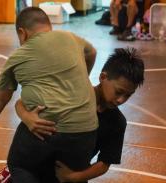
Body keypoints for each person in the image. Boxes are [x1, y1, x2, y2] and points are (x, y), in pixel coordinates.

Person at [0, 7, 98, 183]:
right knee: (67, 176)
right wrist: (82, 78)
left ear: (22, 33)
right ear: (48, 26)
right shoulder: (70, 37)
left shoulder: (19, 56)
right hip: (86, 133)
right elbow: (92, 52)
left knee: (18, 165)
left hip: (46, 131)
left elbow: (0, 97)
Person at [13, 47, 145, 182]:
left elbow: (105, 163)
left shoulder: (117, 122)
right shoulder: (68, 93)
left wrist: (75, 177)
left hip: (68, 176)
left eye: (128, 95)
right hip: (33, 169)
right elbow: (21, 103)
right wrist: (28, 118)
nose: (121, 100)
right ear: (103, 77)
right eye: (118, 92)